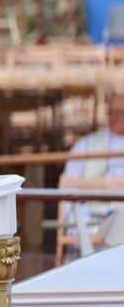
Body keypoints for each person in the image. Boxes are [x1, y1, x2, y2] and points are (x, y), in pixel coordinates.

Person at [63, 92, 124, 247]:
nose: (114, 117)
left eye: (120, 113)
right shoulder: (85, 145)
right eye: (111, 112)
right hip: (91, 210)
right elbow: (68, 182)